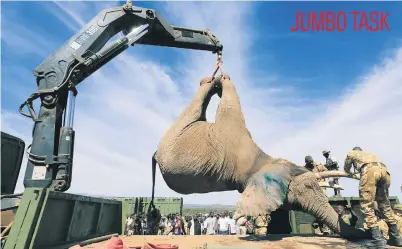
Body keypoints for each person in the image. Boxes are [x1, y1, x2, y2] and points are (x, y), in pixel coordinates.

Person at [344, 146, 402, 248]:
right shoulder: (370, 155)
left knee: (367, 206)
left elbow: (346, 168)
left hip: (370, 171)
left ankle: (378, 241)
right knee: (385, 205)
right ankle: (397, 239)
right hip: (384, 172)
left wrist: (349, 172)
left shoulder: (352, 153)